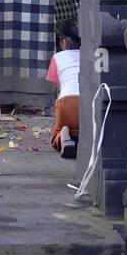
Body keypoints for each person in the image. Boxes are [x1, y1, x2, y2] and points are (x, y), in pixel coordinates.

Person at [46, 19, 81, 159]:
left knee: (57, 135)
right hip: (89, 104)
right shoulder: (90, 56)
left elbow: (58, 89)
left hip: (66, 102)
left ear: (64, 42)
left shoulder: (57, 57)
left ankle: (64, 135)